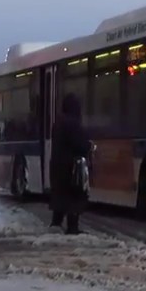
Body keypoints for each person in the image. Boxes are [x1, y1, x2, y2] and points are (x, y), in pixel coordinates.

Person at [48, 93, 93, 234]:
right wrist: (89, 145)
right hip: (71, 168)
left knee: (60, 197)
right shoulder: (73, 124)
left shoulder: (58, 123)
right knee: (74, 198)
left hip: (57, 167)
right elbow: (80, 144)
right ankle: (72, 228)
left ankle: (55, 224)